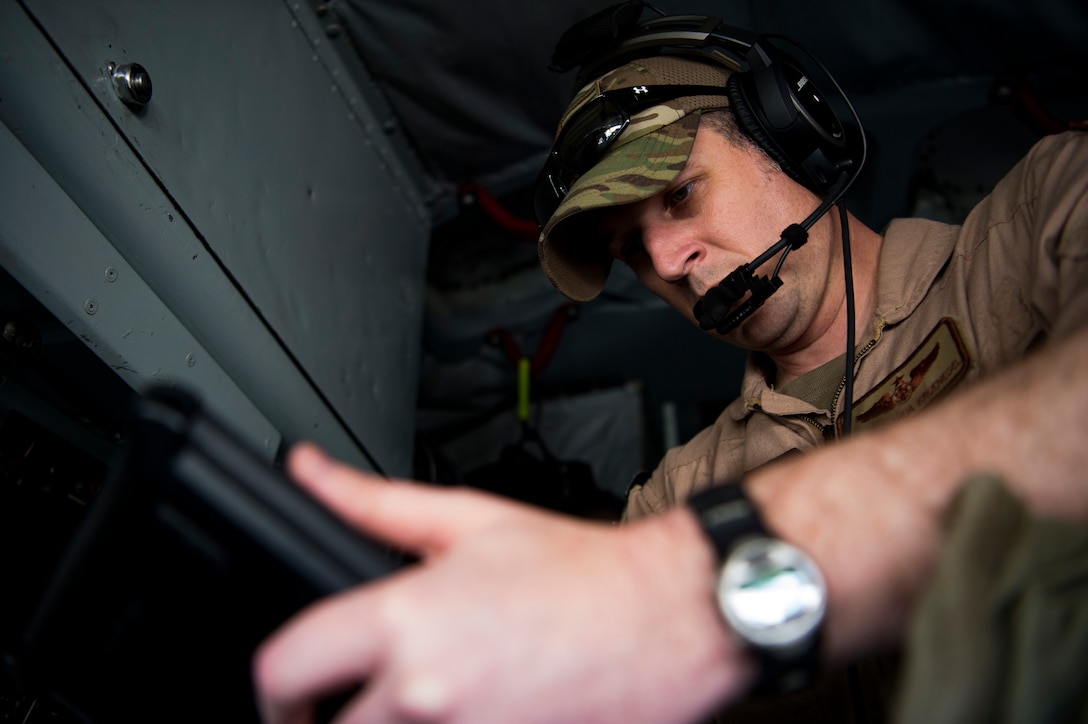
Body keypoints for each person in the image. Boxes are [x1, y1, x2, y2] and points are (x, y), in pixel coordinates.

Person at [252, 9, 1088, 724]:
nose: (667, 259)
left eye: (681, 194)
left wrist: (686, 588)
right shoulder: (677, 494)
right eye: (629, 252)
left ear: (786, 136)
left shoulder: (1045, 214)